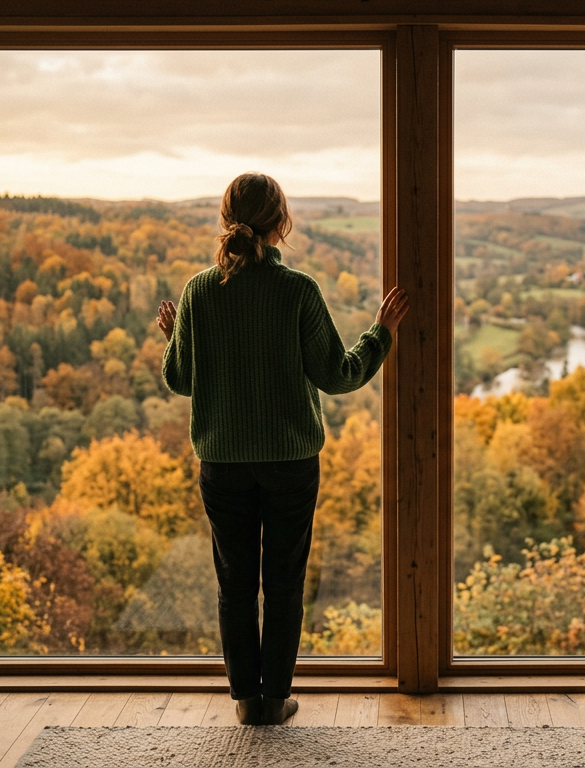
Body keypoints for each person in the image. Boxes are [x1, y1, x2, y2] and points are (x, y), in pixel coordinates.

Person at [158, 172, 408, 725]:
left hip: (222, 463)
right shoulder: (297, 290)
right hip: (291, 462)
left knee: (236, 583)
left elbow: (180, 379)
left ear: (226, 221)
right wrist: (380, 332)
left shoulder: (199, 291)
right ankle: (276, 698)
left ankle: (246, 700)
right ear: (282, 222)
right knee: (285, 581)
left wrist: (177, 335)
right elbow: (340, 375)